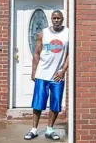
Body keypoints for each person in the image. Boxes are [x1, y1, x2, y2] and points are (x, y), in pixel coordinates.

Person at [24, 10, 69, 141]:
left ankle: (50, 129)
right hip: (42, 74)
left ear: (62, 19)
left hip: (57, 77)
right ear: (51, 19)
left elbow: (70, 54)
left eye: (58, 18)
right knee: (38, 104)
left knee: (55, 104)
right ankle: (33, 130)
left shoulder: (68, 33)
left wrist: (63, 71)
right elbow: (36, 53)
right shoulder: (43, 33)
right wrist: (34, 72)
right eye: (54, 18)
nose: (56, 20)